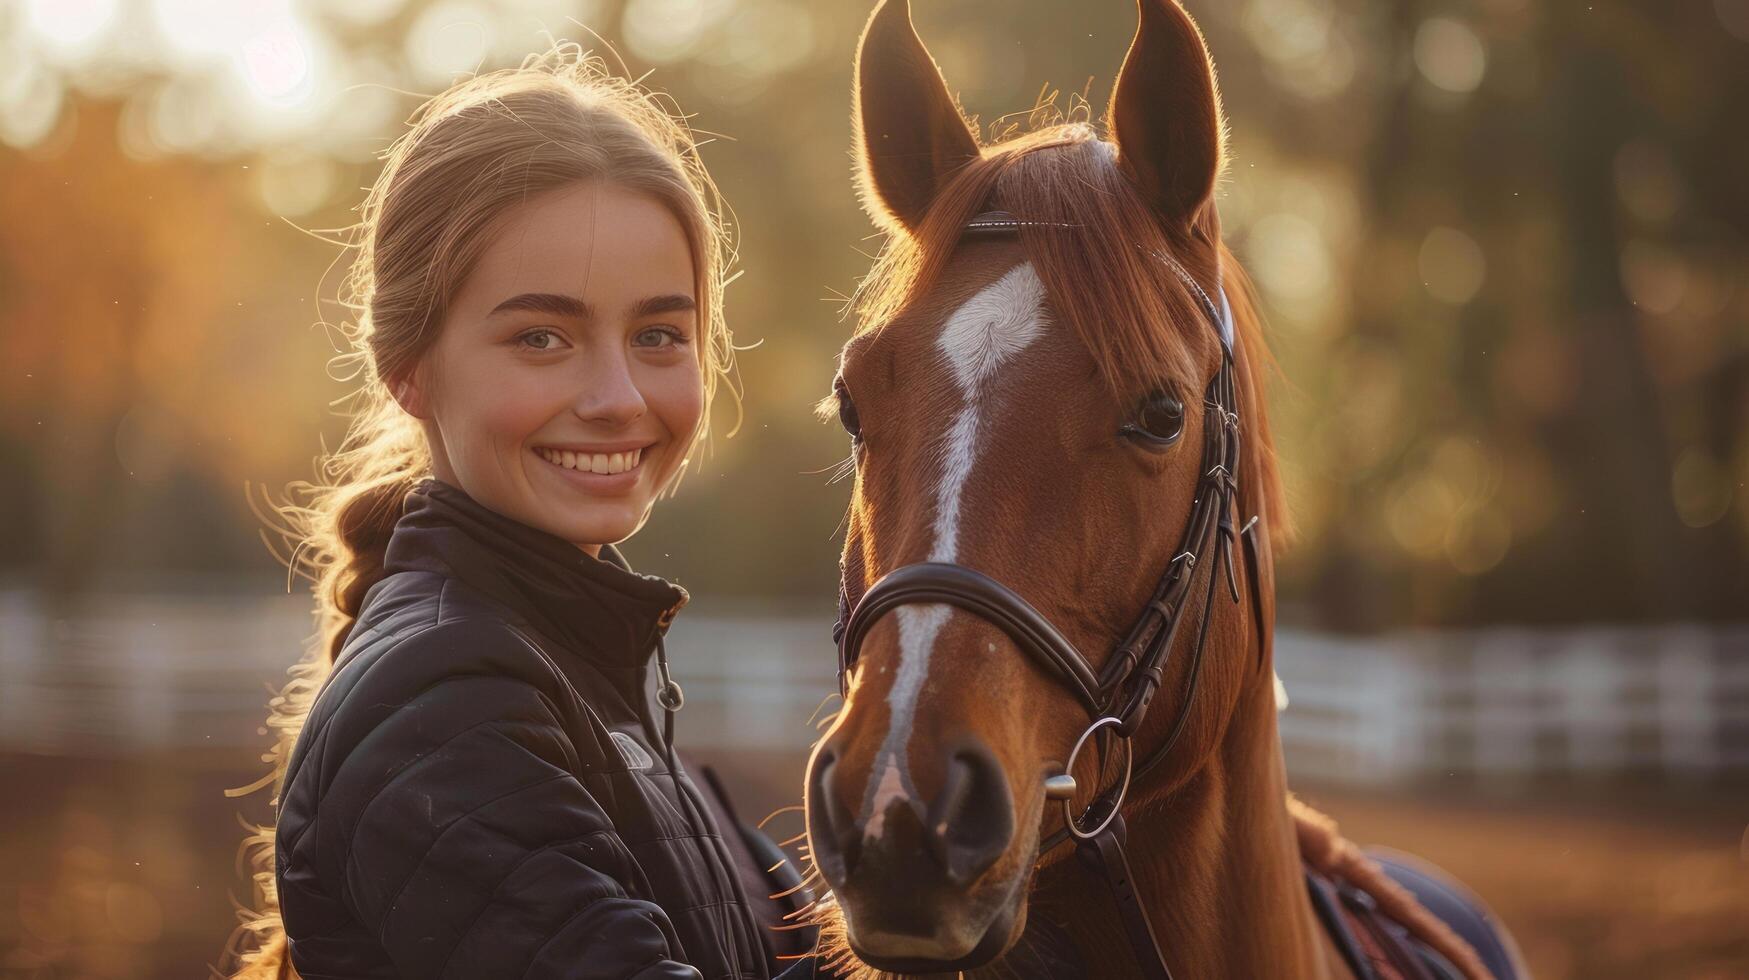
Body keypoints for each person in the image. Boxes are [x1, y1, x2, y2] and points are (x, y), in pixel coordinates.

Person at [223, 43, 808, 980]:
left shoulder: (589, 673)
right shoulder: (444, 703)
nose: (619, 396)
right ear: (407, 368)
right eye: (542, 337)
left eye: (659, 334)